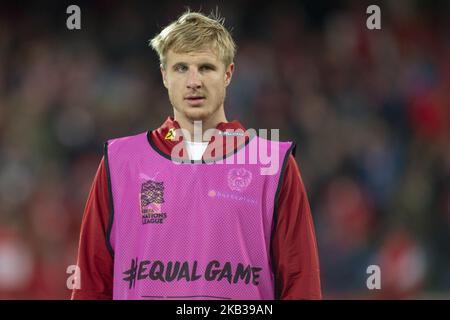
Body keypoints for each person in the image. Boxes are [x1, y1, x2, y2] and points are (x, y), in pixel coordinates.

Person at [71, 10, 321, 300]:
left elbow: (301, 281)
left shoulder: (273, 164)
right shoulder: (120, 161)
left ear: (228, 74)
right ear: (164, 75)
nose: (194, 81)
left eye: (205, 67)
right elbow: (92, 280)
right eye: (181, 68)